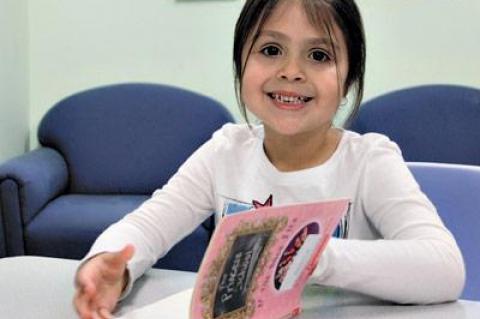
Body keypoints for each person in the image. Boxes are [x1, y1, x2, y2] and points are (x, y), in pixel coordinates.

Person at [73, 0, 465, 318]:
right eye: (270, 50)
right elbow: (147, 226)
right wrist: (110, 266)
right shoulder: (224, 152)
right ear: (239, 65)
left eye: (318, 54)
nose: (291, 72)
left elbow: (445, 268)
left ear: (347, 80)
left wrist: (311, 254)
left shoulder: (369, 162)